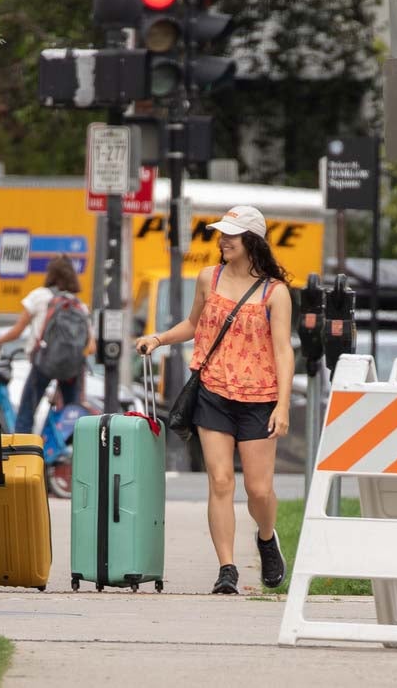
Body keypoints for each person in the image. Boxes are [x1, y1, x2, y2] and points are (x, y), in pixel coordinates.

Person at [135, 204, 294, 594]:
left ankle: (267, 536)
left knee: (258, 489)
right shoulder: (209, 277)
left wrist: (283, 404)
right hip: (214, 393)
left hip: (260, 398)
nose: (222, 240)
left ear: (252, 241)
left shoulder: (276, 293)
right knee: (220, 481)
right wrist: (158, 338)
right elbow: (193, 325)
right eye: (221, 234)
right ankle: (227, 568)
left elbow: (283, 351)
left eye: (230, 235)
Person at [0, 254, 94, 435]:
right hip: (72, 370)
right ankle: (66, 456)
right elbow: (91, 347)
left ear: (51, 274)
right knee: (70, 418)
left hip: (43, 365)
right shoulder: (79, 305)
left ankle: (24, 458)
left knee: (26, 415)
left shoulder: (39, 296)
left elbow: (17, 331)